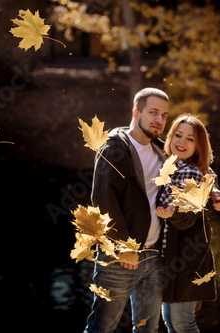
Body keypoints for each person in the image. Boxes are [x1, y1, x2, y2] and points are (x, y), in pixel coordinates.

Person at [84, 87, 169, 333]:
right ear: (136, 112)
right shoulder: (114, 149)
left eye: (164, 115)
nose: (159, 120)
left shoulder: (163, 152)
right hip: (119, 257)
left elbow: (198, 167)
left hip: (154, 257)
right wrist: (124, 247)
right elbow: (102, 200)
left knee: (147, 329)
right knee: (102, 327)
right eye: (153, 112)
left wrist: (214, 189)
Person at [156, 114, 220, 333]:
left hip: (187, 261)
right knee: (170, 321)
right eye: (178, 135)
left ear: (198, 146)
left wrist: (171, 213)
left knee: (183, 323)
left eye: (190, 139)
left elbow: (187, 218)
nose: (181, 142)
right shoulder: (168, 163)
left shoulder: (190, 173)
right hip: (169, 258)